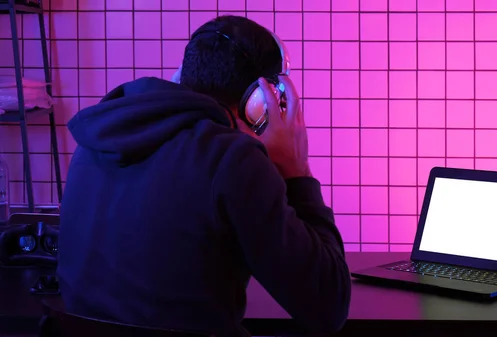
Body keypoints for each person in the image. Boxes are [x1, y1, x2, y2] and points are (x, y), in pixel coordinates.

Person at [56, 15, 351, 337]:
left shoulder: (92, 145)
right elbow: (328, 306)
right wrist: (297, 172)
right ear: (257, 101)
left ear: (182, 77)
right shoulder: (233, 159)